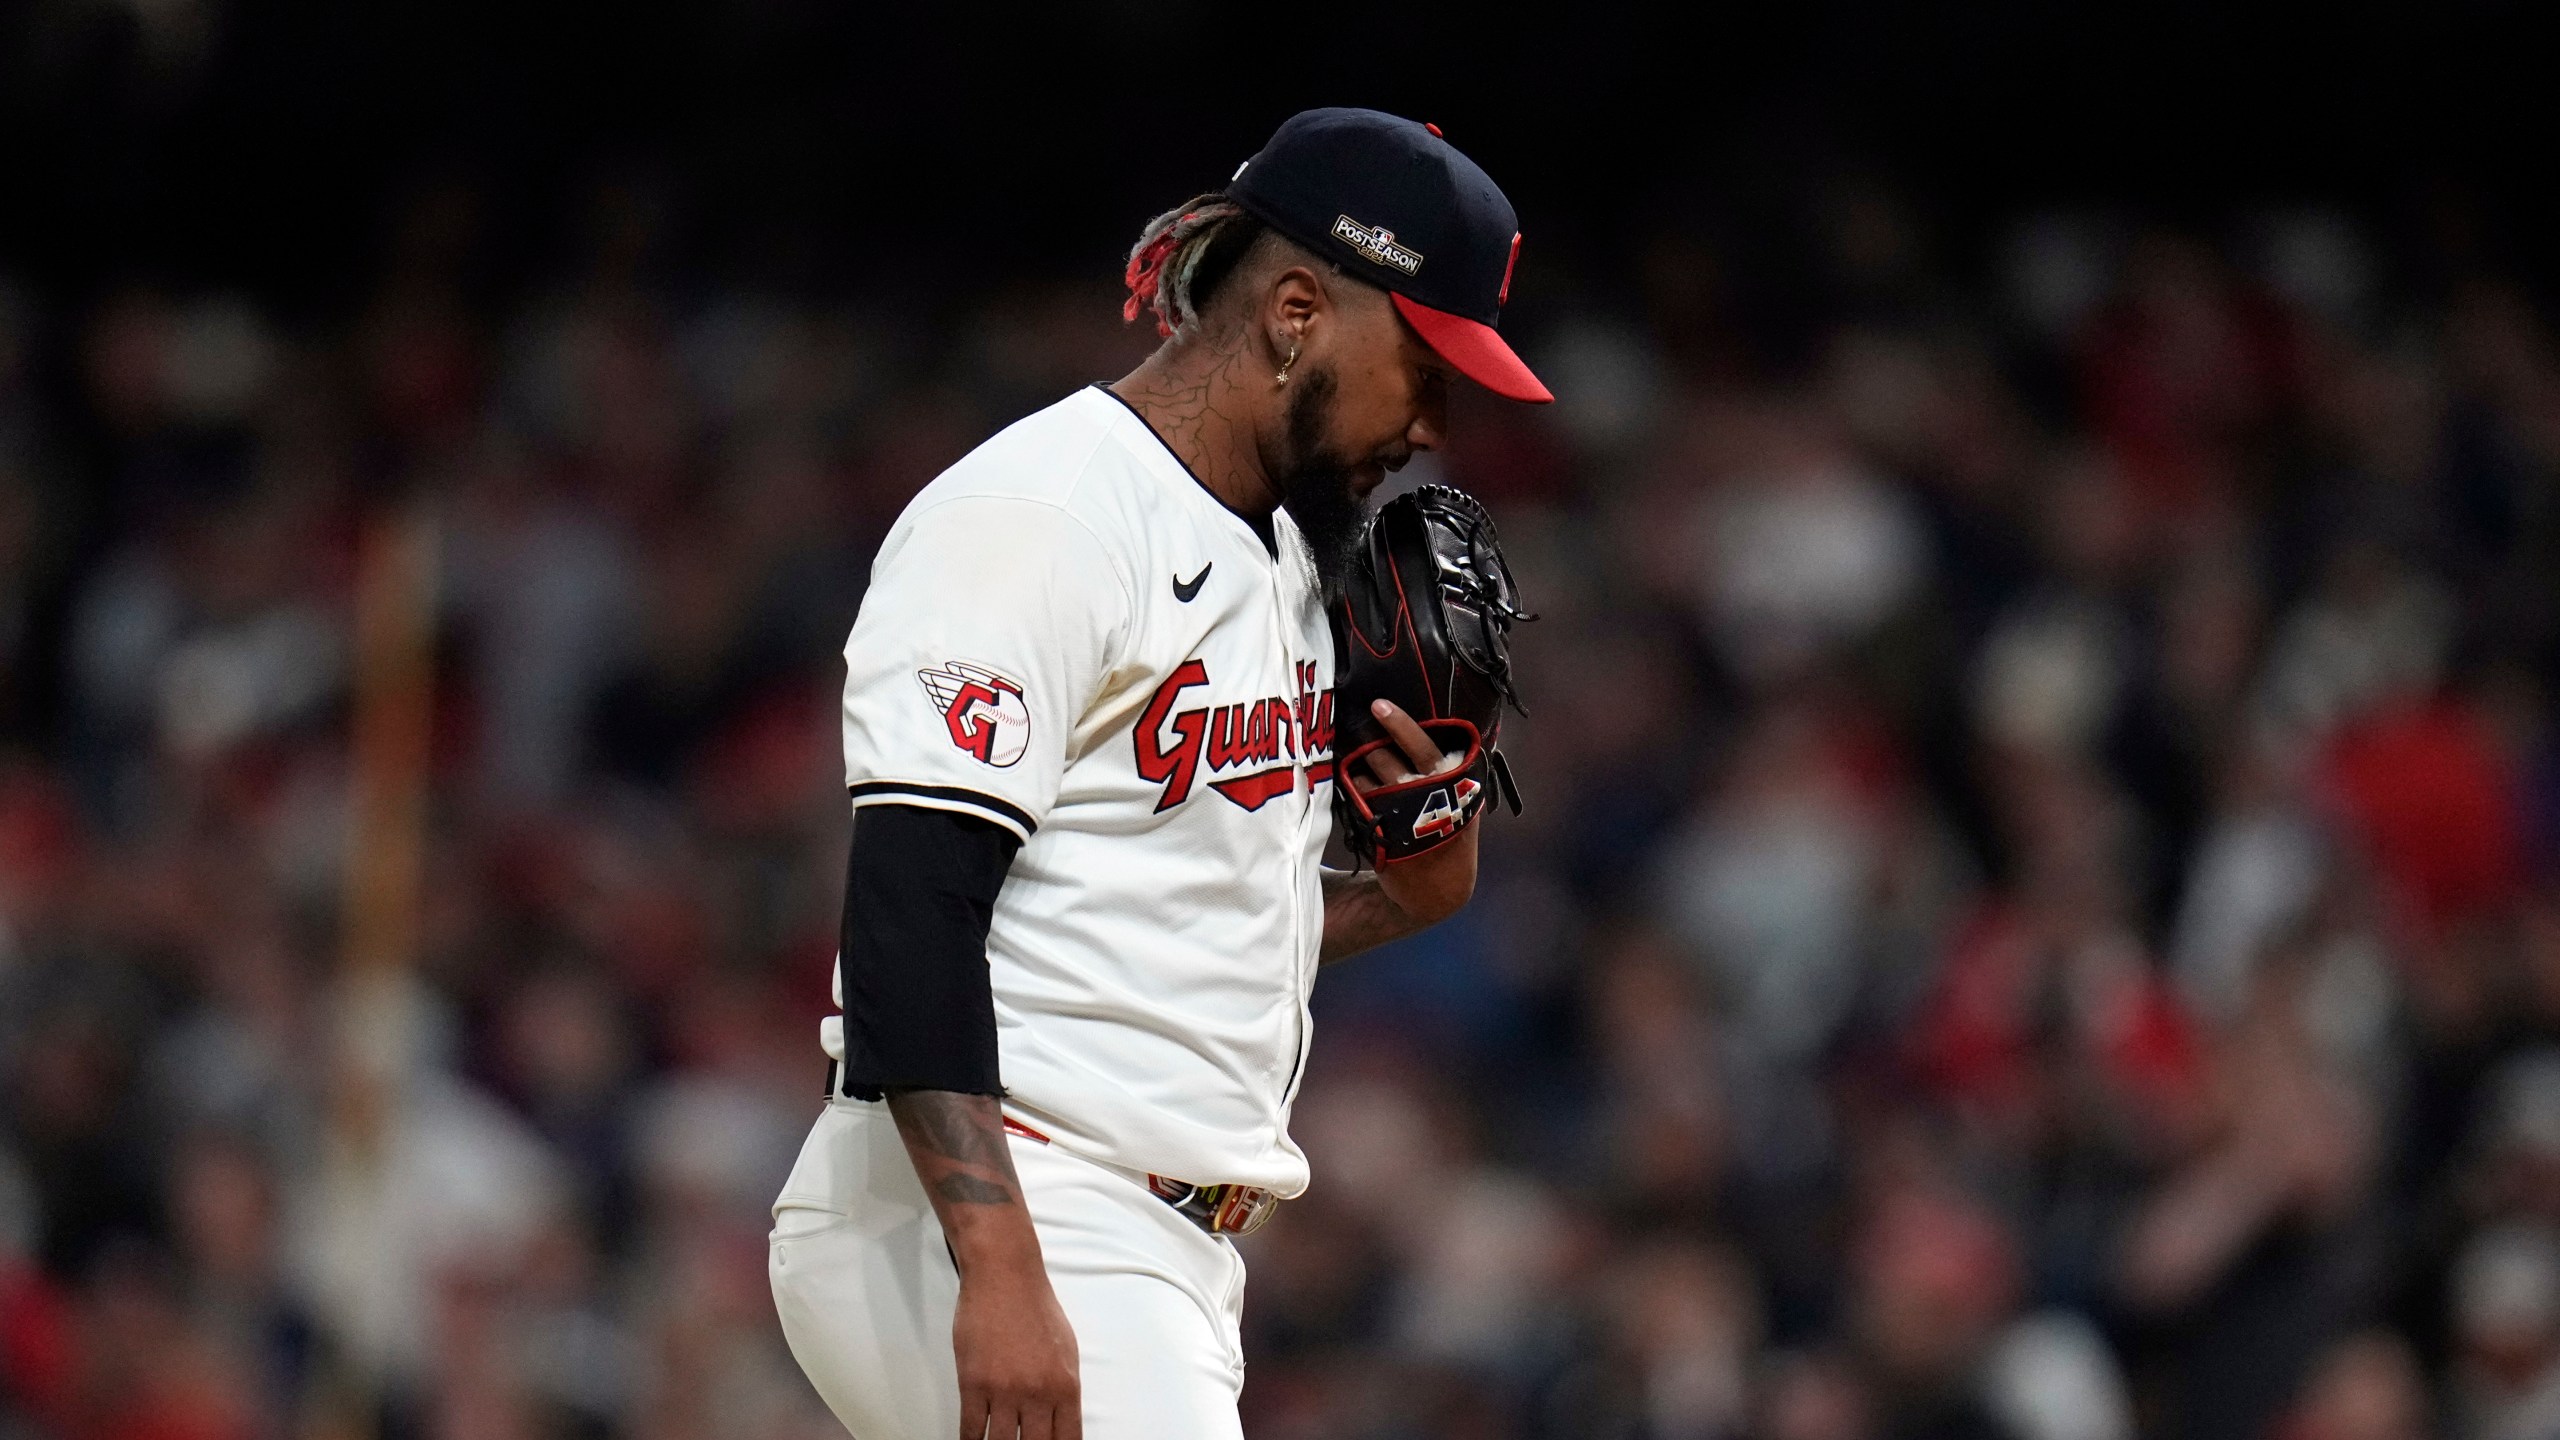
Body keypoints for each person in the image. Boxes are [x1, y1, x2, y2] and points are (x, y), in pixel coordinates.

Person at [765, 108, 1551, 1439]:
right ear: (1297, 308)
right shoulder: (1044, 518)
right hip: (999, 1206)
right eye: (1422, 363)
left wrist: (1408, 889)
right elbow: (911, 912)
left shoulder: (1292, 558)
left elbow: (1170, 933)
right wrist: (1001, 1271)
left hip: (1159, 1245)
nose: (1433, 419)